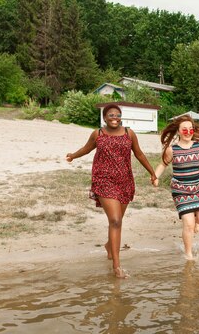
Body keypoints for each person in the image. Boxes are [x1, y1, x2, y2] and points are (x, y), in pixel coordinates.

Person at [66, 104, 157, 278]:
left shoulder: (129, 133)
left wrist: (152, 172)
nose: (114, 117)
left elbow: (139, 154)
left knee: (117, 221)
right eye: (111, 115)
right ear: (105, 118)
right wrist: (73, 155)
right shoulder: (98, 134)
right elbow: (86, 148)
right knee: (115, 221)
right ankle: (117, 267)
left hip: (124, 181)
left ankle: (110, 246)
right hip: (103, 180)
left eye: (118, 114)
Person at [153, 115, 199, 260]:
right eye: (185, 129)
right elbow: (163, 165)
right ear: (178, 131)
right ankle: (188, 254)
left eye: (191, 129)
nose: (188, 132)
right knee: (188, 224)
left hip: (198, 189)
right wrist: (155, 177)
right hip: (181, 191)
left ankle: (197, 221)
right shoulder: (172, 149)